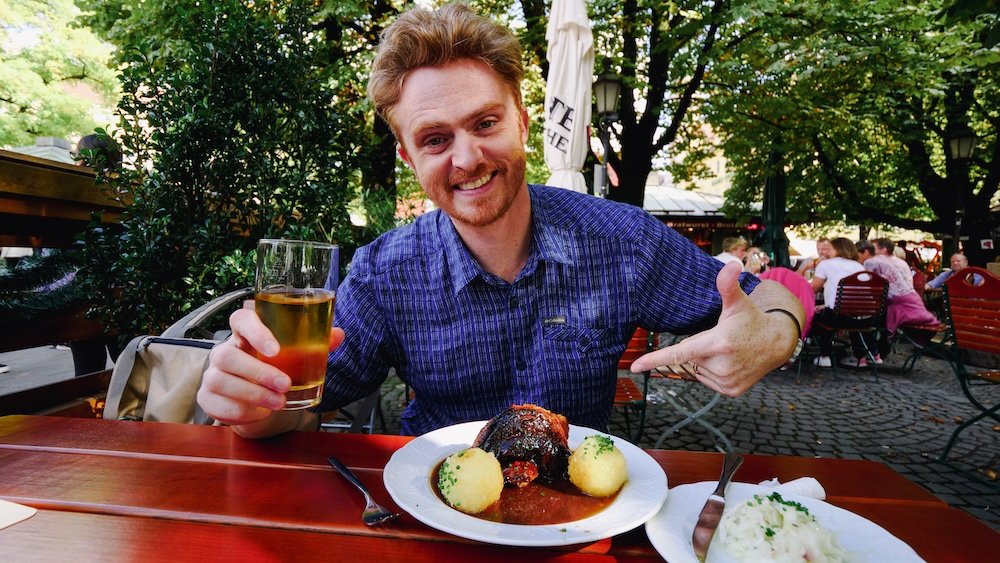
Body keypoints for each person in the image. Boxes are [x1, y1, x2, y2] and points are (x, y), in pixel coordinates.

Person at [197, 3, 804, 439]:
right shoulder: (384, 271)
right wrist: (253, 408)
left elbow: (772, 297)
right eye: (436, 139)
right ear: (408, 157)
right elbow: (305, 401)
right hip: (432, 504)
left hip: (580, 512)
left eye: (485, 124)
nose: (467, 158)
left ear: (520, 120)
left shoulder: (622, 240)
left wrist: (776, 332)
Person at [862, 238, 938, 353]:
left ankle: (871, 351)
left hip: (900, 307)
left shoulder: (878, 262)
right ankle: (877, 351)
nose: (870, 251)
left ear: (883, 250)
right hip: (909, 303)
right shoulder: (901, 263)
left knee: (868, 319)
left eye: (874, 248)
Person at [807, 237, 871, 367]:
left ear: (837, 249)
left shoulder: (825, 264)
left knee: (816, 315)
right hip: (862, 319)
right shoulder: (859, 266)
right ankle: (860, 357)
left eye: (830, 249)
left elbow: (813, 288)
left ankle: (824, 355)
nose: (827, 252)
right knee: (833, 311)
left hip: (835, 317)